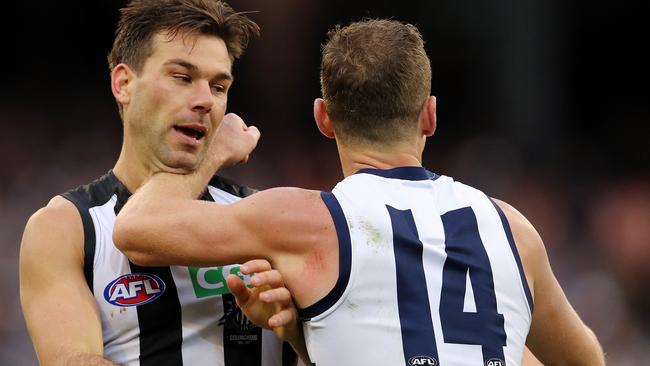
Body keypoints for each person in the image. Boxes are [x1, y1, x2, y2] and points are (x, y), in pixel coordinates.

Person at [113, 19, 606, 365]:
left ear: (323, 119)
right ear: (429, 115)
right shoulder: (512, 228)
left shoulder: (307, 220)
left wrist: (212, 153)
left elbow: (136, 228)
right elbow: (585, 360)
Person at [19, 0, 304, 365]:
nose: (205, 101)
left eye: (219, 86)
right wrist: (214, 155)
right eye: (182, 78)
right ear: (123, 84)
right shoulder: (66, 228)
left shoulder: (263, 214)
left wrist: (296, 333)